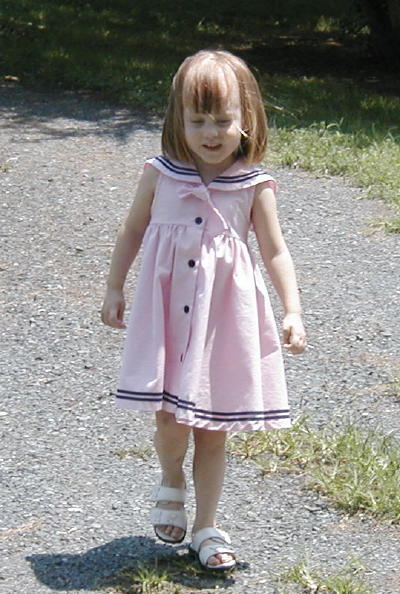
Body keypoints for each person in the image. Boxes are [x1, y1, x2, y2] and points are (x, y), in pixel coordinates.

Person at [101, 49, 306, 571]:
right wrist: (114, 287)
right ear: (178, 120)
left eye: (223, 120)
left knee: (214, 430)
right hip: (169, 320)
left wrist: (292, 310)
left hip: (220, 327)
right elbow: (132, 230)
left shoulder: (253, 184)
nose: (210, 133)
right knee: (170, 423)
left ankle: (206, 527)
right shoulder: (160, 174)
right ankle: (170, 477)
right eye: (197, 121)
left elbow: (275, 250)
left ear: (247, 120)